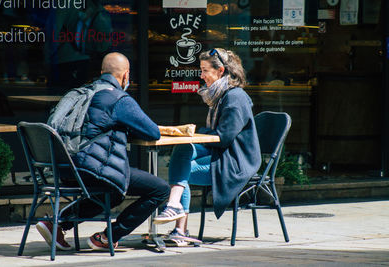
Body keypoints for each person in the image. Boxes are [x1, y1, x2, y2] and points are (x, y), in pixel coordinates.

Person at [36, 52, 170, 251]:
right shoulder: (118, 98)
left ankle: (56, 223)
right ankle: (109, 237)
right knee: (160, 189)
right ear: (126, 75)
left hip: (63, 167)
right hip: (90, 169)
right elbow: (152, 132)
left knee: (113, 193)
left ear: (101, 72)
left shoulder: (81, 92)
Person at [153, 48, 261, 239]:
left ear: (220, 71)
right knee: (184, 149)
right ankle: (176, 213)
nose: (201, 76)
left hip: (234, 162)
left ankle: (178, 220)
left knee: (182, 169)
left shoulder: (235, 97)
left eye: (205, 70)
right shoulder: (219, 96)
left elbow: (223, 137)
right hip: (220, 154)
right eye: (201, 70)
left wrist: (200, 131)